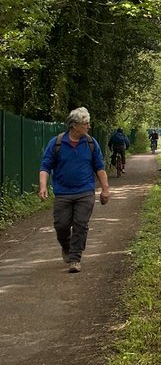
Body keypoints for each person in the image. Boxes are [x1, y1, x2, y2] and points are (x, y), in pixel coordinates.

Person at [39, 107, 110, 274]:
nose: (88, 127)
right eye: (85, 124)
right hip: (63, 193)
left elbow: (99, 167)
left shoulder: (91, 143)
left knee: (80, 224)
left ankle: (75, 258)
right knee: (61, 225)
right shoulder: (56, 143)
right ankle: (66, 246)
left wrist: (105, 189)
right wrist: (43, 186)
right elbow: (45, 166)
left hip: (85, 191)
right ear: (74, 125)